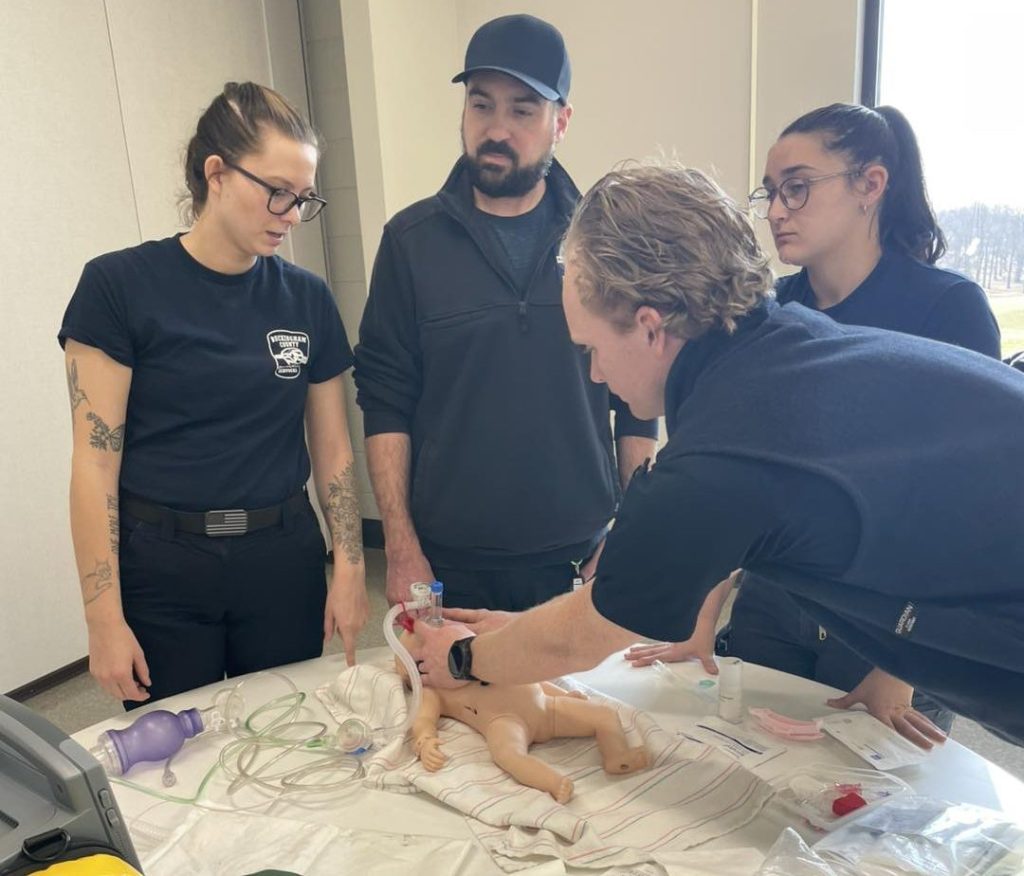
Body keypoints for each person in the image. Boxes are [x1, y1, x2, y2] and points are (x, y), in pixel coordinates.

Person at [413, 162, 1024, 748]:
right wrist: (519, 632)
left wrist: (465, 657)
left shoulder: (725, 454)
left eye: (590, 348)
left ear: (651, 328)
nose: (595, 373)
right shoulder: (781, 347)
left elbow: (583, 634)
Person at [625, 103, 1001, 745]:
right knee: (760, 778)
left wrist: (898, 666)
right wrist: (700, 615)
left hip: (897, 621)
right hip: (780, 600)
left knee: (874, 814)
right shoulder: (768, 315)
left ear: (870, 185)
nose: (775, 210)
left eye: (796, 187)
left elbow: (966, 513)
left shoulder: (947, 310)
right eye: (770, 192)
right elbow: (734, 481)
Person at [60, 82, 368, 708]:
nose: (290, 214)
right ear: (217, 174)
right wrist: (103, 618)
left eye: (303, 199)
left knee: (284, 737)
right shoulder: (119, 287)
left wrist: (352, 567)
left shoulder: (306, 298)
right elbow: (95, 465)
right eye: (278, 191)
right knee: (174, 759)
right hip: (165, 565)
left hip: (280, 558)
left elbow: (333, 451)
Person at [354, 14, 657, 612]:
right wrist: (400, 546)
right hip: (448, 561)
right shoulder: (410, 242)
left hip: (579, 554)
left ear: (560, 121)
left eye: (522, 110)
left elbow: (639, 404)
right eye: (481, 105)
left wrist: (630, 528)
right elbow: (386, 398)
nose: (496, 128)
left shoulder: (608, 238)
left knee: (577, 709)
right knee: (452, 707)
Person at [398, 627, 647, 803]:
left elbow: (532, 682)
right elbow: (423, 718)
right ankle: (552, 782)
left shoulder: (480, 659)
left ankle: (617, 756)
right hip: (505, 721)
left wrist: (563, 695)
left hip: (546, 706)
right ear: (419, 669)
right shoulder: (435, 689)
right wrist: (425, 740)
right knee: (507, 754)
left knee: (603, 715)